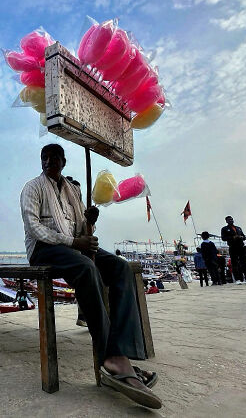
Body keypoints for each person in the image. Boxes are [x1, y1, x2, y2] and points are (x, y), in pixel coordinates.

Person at [20, 144, 161, 409]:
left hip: (73, 245)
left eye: (54, 158)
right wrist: (75, 241)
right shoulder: (33, 187)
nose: (48, 161)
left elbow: (80, 227)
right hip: (44, 249)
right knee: (86, 267)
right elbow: (34, 227)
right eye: (44, 158)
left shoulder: (73, 190)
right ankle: (114, 358)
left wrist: (90, 222)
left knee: (121, 268)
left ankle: (123, 353)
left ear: (63, 161)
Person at [221, 216, 246, 284]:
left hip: (241, 246)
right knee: (234, 263)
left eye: (231, 219)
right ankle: (237, 279)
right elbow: (223, 238)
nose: (231, 220)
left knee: (244, 262)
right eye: (229, 220)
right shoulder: (224, 229)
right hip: (233, 247)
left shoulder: (238, 228)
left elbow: (244, 237)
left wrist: (241, 237)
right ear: (226, 221)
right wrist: (232, 237)